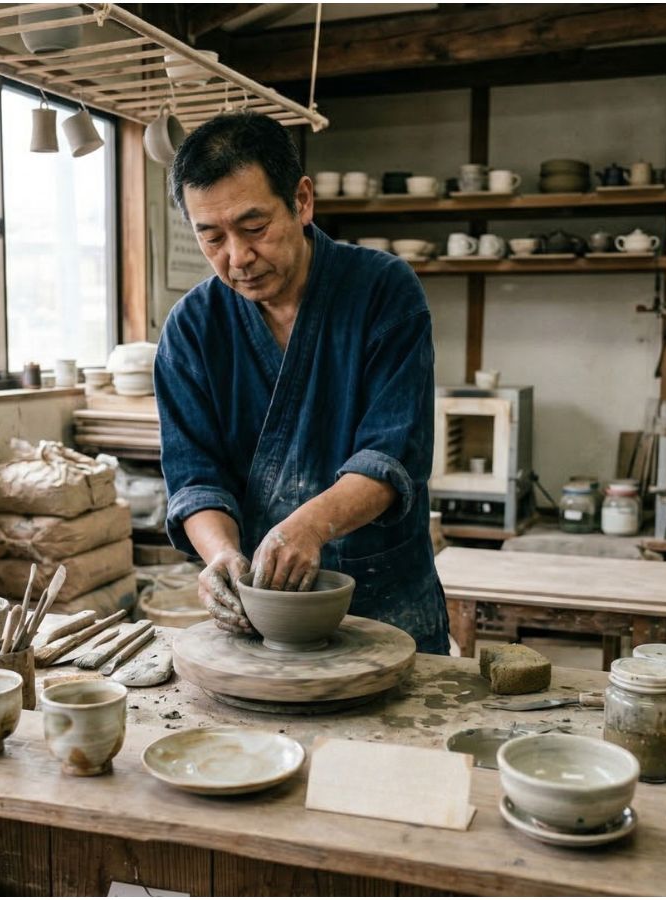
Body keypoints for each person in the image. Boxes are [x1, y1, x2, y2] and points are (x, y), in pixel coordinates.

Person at [153, 111, 448, 654]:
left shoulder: (383, 291)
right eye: (211, 237)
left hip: (384, 601)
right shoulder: (191, 330)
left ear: (302, 201)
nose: (237, 258)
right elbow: (194, 477)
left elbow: (392, 455)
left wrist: (310, 526)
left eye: (254, 227)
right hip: (262, 615)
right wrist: (220, 553)